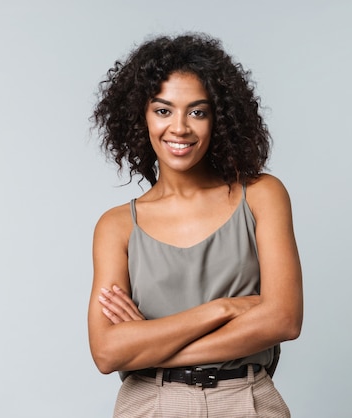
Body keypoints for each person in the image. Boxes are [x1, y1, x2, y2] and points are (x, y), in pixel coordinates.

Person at [87, 33, 303, 418]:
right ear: (141, 115)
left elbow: (283, 319)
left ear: (220, 118)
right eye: (163, 110)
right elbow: (107, 353)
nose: (180, 128)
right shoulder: (116, 226)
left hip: (245, 400)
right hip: (149, 404)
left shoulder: (261, 195)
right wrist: (222, 309)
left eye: (198, 112)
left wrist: (150, 345)